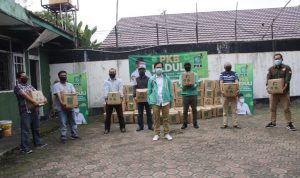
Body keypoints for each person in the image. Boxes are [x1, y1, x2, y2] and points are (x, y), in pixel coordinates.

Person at [14, 72, 47, 154]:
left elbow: (37, 93)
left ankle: (38, 143)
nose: (25, 77)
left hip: (34, 110)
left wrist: (44, 98)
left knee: (36, 128)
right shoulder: (17, 87)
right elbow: (24, 95)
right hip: (25, 111)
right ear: (19, 78)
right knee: (25, 130)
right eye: (23, 76)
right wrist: (34, 101)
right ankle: (25, 148)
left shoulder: (30, 86)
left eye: (26, 76)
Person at [265, 53, 296, 131]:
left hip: (284, 92)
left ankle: (289, 123)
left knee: (286, 108)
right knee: (272, 108)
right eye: (275, 59)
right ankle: (273, 122)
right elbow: (268, 80)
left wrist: (284, 87)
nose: (277, 60)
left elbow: (287, 80)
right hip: (274, 93)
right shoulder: (271, 69)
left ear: (282, 59)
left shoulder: (286, 68)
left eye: (278, 58)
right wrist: (268, 88)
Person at [147, 62, 173, 141]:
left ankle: (166, 133)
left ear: (162, 68)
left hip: (165, 100)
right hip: (155, 101)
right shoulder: (151, 79)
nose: (159, 69)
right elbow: (149, 91)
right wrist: (150, 101)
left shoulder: (166, 78)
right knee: (156, 118)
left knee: (166, 118)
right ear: (154, 68)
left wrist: (171, 99)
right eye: (157, 67)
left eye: (160, 67)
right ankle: (157, 134)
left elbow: (170, 89)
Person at [52, 71, 80, 143]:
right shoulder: (56, 85)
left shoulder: (70, 85)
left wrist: (75, 103)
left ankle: (74, 134)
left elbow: (74, 94)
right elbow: (58, 95)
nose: (64, 76)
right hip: (61, 107)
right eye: (62, 75)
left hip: (70, 106)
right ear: (59, 76)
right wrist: (63, 103)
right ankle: (63, 136)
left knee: (73, 121)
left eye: (65, 75)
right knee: (63, 122)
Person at [103, 68, 126, 134]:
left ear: (115, 73)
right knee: (108, 116)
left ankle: (122, 128)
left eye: (113, 72)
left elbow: (121, 89)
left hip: (117, 100)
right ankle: (107, 129)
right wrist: (106, 98)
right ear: (109, 73)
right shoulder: (106, 81)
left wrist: (121, 97)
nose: (112, 74)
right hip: (109, 101)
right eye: (111, 72)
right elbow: (105, 90)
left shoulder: (119, 81)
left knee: (120, 115)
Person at [179, 62, 199, 129]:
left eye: (188, 65)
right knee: (185, 110)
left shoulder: (194, 74)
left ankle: (195, 123)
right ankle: (184, 124)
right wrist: (183, 86)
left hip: (193, 94)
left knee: (194, 109)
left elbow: (197, 83)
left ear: (190, 66)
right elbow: (180, 83)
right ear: (184, 67)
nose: (187, 66)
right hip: (185, 94)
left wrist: (193, 86)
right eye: (186, 66)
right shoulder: (182, 75)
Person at [220, 62, 240, 129]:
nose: (228, 67)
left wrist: (237, 90)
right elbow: (221, 83)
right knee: (225, 110)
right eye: (226, 66)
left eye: (229, 66)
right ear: (224, 67)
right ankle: (225, 124)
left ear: (231, 67)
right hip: (225, 95)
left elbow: (237, 82)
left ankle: (235, 124)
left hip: (233, 95)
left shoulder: (235, 73)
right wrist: (222, 91)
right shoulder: (222, 74)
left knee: (234, 110)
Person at [133, 64, 153, 131]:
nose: (141, 70)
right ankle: (140, 126)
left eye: (142, 69)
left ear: (145, 70)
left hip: (147, 99)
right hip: (139, 99)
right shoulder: (136, 79)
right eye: (140, 69)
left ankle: (150, 126)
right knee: (140, 113)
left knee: (149, 113)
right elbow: (134, 87)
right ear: (138, 71)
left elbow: (151, 88)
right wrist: (134, 96)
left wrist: (150, 96)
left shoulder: (148, 79)